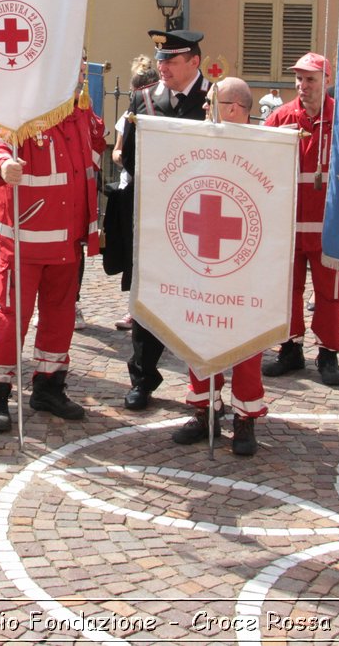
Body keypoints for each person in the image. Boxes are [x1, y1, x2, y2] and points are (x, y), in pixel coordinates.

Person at [0, 102, 105, 431]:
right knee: (12, 317)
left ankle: (48, 386)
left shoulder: (81, 112)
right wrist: (2, 166)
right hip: (25, 238)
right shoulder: (21, 107)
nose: (79, 75)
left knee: (60, 316)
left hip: (68, 237)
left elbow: (95, 149)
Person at [171, 77, 265, 455]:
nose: (206, 109)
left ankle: (245, 419)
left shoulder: (265, 150)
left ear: (232, 108)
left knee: (246, 341)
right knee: (201, 332)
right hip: (204, 257)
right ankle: (204, 409)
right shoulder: (199, 145)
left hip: (247, 262)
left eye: (213, 103)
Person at [121, 29, 211, 410]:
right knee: (150, 300)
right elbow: (128, 156)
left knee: (204, 301)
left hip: (205, 221)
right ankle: (143, 378)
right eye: (159, 60)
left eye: (171, 61)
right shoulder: (143, 99)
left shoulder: (216, 99)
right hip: (156, 220)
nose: (162, 68)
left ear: (194, 62)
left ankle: (208, 385)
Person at [262, 52, 339, 387]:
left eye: (310, 79)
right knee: (288, 290)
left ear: (326, 81)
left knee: (330, 292)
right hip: (289, 226)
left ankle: (328, 352)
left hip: (328, 227)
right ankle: (290, 348)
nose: (302, 86)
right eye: (299, 79)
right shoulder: (282, 118)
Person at [105, 54, 159, 333]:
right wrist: (124, 157)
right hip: (132, 188)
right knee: (134, 254)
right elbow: (117, 151)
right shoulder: (128, 117)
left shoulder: (162, 113)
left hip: (157, 190)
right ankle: (134, 310)